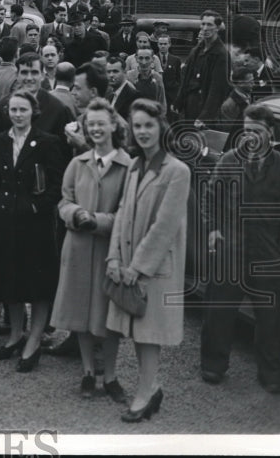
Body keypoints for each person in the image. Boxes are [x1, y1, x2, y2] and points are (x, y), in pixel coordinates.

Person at [105, 98, 191, 423]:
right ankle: (150, 387)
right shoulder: (135, 166)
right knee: (139, 330)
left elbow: (164, 227)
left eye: (148, 125)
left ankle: (145, 393)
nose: (142, 131)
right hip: (128, 263)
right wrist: (114, 256)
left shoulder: (177, 171)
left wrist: (137, 268)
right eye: (137, 125)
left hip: (155, 267)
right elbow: (123, 212)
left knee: (149, 333)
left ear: (161, 127)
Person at [0, 90, 67, 372]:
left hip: (34, 225)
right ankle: (15, 334)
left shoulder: (48, 142)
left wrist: (38, 207)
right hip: (4, 221)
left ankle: (33, 340)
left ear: (33, 112)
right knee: (9, 282)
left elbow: (57, 185)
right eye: (13, 110)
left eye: (23, 110)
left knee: (36, 286)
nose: (17, 114)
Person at [199, 103, 280, 393]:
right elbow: (209, 199)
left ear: (270, 133)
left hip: (267, 253)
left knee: (270, 318)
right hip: (231, 250)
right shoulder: (228, 161)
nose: (250, 136)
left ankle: (271, 373)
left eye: (257, 131)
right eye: (246, 130)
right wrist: (213, 229)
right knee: (219, 311)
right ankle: (213, 365)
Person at [51, 99, 132, 402]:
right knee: (81, 314)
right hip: (78, 246)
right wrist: (74, 214)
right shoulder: (78, 162)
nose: (96, 129)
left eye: (101, 123)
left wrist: (95, 220)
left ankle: (110, 376)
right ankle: (87, 372)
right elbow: (64, 199)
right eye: (90, 124)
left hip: (111, 249)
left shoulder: (128, 166)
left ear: (114, 125)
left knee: (108, 317)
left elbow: (128, 213)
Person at [174, 10, 231, 124]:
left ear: (217, 28)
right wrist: (178, 101)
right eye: (203, 24)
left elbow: (217, 89)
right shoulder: (196, 51)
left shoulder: (220, 54)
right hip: (189, 105)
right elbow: (186, 79)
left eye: (209, 25)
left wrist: (205, 117)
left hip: (205, 107)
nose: (205, 28)